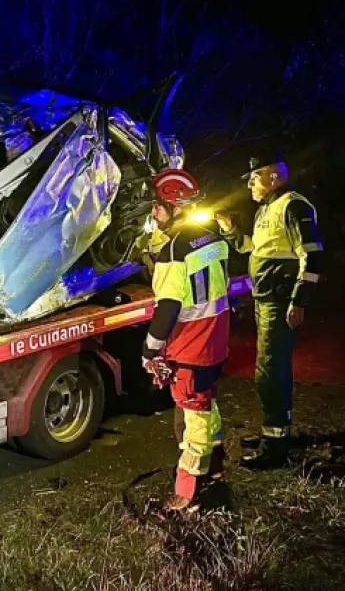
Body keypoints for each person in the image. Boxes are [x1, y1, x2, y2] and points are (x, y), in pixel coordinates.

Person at [215, 155, 324, 469]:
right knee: (269, 370)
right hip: (266, 301)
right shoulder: (267, 209)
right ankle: (275, 434)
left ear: (275, 177)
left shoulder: (294, 206)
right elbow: (254, 248)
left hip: (280, 303)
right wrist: (231, 230)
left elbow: (313, 257)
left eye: (255, 176)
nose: (249, 183)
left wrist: (298, 301)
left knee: (270, 371)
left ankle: (275, 446)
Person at [140, 169, 231, 511]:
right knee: (208, 405)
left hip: (191, 345)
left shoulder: (173, 252)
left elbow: (168, 307)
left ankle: (187, 493)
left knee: (194, 414)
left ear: (174, 207)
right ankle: (217, 467)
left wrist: (149, 348)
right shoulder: (214, 239)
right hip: (215, 341)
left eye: (157, 207)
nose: (154, 213)